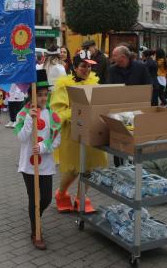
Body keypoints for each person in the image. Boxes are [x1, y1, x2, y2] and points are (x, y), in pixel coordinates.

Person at [50, 53, 108, 213]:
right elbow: (57, 114)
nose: (87, 69)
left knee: (89, 168)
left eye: (89, 66)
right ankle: (61, 194)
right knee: (73, 169)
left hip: (91, 132)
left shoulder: (94, 83)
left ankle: (81, 197)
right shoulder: (63, 86)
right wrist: (78, 111)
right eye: (83, 66)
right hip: (72, 133)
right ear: (74, 67)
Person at [14, 70, 61, 250]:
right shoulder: (23, 114)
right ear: (32, 95)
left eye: (44, 94)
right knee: (33, 199)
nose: (42, 98)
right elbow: (22, 138)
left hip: (46, 165)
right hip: (28, 165)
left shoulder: (53, 115)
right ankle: (36, 232)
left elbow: (57, 139)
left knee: (47, 198)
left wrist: (42, 147)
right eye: (39, 94)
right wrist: (28, 120)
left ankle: (36, 217)